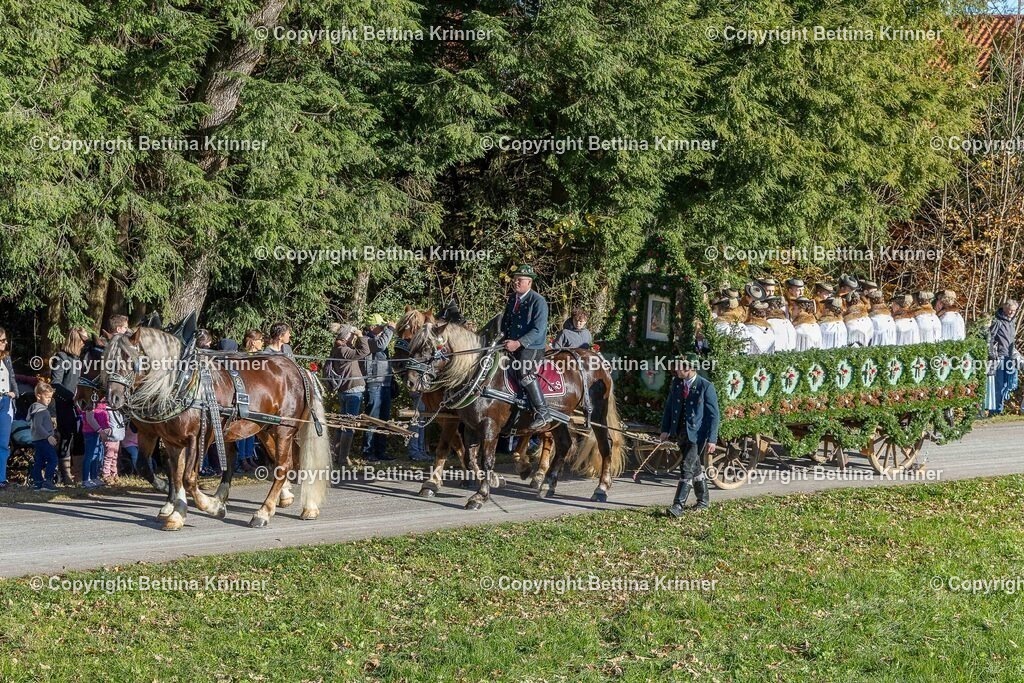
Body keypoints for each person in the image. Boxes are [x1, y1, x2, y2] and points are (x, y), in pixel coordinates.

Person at [660, 353, 720, 515]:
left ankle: (678, 506)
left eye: (679, 366)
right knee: (695, 467)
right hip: (680, 432)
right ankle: (703, 501)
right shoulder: (677, 383)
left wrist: (712, 439)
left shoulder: (705, 386)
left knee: (686, 466)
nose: (676, 369)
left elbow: (714, 415)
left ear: (689, 369)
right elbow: (669, 408)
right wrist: (665, 430)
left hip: (697, 435)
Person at [500, 264, 552, 431]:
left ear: (529, 282)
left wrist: (518, 343)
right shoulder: (512, 299)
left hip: (532, 347)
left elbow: (539, 329)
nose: (515, 282)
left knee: (524, 370)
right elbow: (506, 323)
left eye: (519, 280)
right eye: (514, 279)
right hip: (511, 344)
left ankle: (543, 411)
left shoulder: (538, 301)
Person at [324, 325, 370, 467]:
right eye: (351, 336)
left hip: (345, 391)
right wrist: (361, 335)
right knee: (348, 425)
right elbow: (364, 351)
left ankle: (338, 456)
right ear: (345, 337)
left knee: (342, 423)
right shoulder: (344, 350)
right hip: (353, 390)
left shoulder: (337, 349)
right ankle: (343, 458)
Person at [51, 326, 89, 486]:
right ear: (77, 339)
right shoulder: (61, 358)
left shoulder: (82, 359)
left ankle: (78, 476)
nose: (85, 344)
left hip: (80, 406)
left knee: (80, 439)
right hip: (65, 405)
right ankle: (66, 476)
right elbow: (55, 384)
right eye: (84, 340)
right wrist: (70, 396)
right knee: (66, 437)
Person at [361, 314, 397, 461]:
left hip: (385, 383)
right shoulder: (367, 340)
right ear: (371, 328)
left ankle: (381, 451)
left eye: (384, 327)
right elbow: (381, 345)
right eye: (380, 326)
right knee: (372, 419)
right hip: (374, 383)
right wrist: (390, 329)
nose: (383, 329)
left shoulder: (380, 338)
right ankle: (367, 451)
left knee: (384, 420)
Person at [234, 329, 265, 472]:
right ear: (253, 342)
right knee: (242, 428)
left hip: (254, 396)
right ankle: (241, 459)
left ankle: (249, 456)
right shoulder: (242, 357)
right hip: (243, 395)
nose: (262, 343)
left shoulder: (258, 357)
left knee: (252, 429)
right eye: (260, 340)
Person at [985, 300, 1021, 416]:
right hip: (999, 357)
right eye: (1010, 309)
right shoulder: (998, 321)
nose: (1012, 312)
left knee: (1008, 384)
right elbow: (990, 338)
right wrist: (992, 353)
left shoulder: (1012, 322)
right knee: (999, 384)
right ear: (1004, 309)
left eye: (1014, 310)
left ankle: (1000, 408)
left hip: (1009, 357)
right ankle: (994, 410)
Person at [29, 382, 59, 490]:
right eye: (47, 397)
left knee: (40, 461)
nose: (49, 400)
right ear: (38, 395)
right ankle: (48, 481)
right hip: (43, 440)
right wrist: (48, 436)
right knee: (53, 460)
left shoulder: (37, 408)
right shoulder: (40, 410)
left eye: (50, 397)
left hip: (38, 439)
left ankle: (38, 482)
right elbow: (38, 426)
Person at [79, 394, 110, 488]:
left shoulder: (103, 402)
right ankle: (85, 479)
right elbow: (90, 418)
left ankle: (94, 477)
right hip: (90, 432)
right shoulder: (91, 401)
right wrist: (100, 431)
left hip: (99, 432)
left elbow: (105, 417)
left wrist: (107, 429)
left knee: (97, 456)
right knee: (90, 456)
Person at [0, 327, 17, 489]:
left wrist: (15, 393)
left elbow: (11, 376)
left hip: (5, 401)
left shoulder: (6, 358)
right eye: (2, 340)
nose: (5, 343)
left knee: (3, 443)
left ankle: (1, 478)